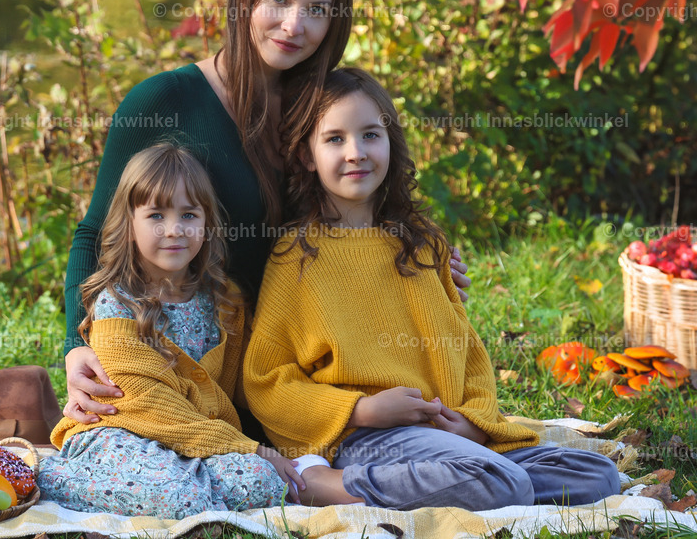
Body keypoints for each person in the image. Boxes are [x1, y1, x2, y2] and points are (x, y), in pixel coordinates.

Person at [62, 0, 472, 426]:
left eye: (317, 10)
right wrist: (74, 347)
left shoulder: (324, 111)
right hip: (188, 380)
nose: (294, 26)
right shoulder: (165, 102)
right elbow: (93, 233)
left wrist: (416, 254)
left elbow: (359, 208)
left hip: (315, 382)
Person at [243, 68, 621, 510]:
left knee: (597, 475)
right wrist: (361, 410)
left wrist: (474, 423)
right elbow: (266, 381)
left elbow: (468, 353)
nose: (356, 152)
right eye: (334, 139)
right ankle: (328, 487)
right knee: (504, 483)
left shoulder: (422, 243)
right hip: (365, 437)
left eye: (370, 135)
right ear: (307, 155)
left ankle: (468, 480)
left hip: (444, 433)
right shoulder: (297, 257)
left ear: (391, 143)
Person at [38, 144, 303, 518]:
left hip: (192, 444)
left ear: (207, 223)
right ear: (130, 225)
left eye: (189, 214)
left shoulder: (225, 301)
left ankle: (192, 496)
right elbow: (147, 401)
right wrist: (252, 448)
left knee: (262, 483)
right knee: (179, 495)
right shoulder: (118, 303)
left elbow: (247, 385)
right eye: (156, 215)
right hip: (118, 432)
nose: (175, 230)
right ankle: (52, 476)